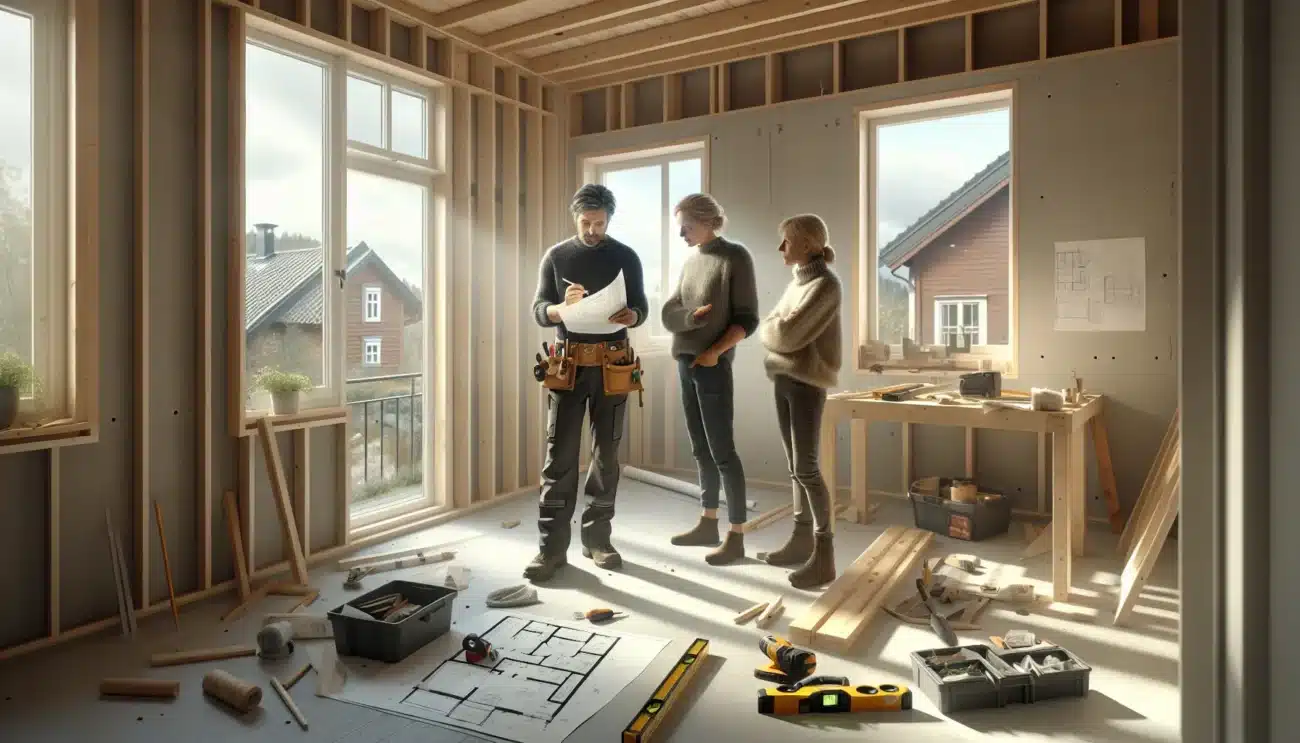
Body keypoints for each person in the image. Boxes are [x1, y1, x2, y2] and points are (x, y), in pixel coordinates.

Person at [526, 184, 649, 582]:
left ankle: (598, 539)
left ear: (609, 219)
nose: (592, 230)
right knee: (559, 458)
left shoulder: (626, 256)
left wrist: (634, 316)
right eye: (586, 223)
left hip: (613, 366)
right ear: (573, 217)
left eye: (599, 223)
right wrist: (560, 309)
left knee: (607, 456)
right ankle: (550, 549)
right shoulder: (557, 256)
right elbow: (539, 309)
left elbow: (642, 306)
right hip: (567, 366)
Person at [661, 193, 760, 565]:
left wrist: (715, 351)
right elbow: (669, 313)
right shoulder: (691, 262)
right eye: (680, 227)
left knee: (722, 451)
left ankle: (736, 536)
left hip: (712, 364)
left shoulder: (735, 257)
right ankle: (708, 522)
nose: (682, 233)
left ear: (707, 221)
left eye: (686, 226)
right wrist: (691, 319)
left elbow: (747, 319)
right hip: (685, 362)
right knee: (700, 448)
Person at [757, 214, 843, 588]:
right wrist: (776, 326)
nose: (781, 248)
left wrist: (775, 326)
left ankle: (824, 557)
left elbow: (785, 335)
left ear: (807, 245)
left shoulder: (825, 285)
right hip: (785, 379)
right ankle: (800, 539)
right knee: (795, 467)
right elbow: (775, 327)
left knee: (806, 468)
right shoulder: (798, 284)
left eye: (787, 241)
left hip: (807, 383)